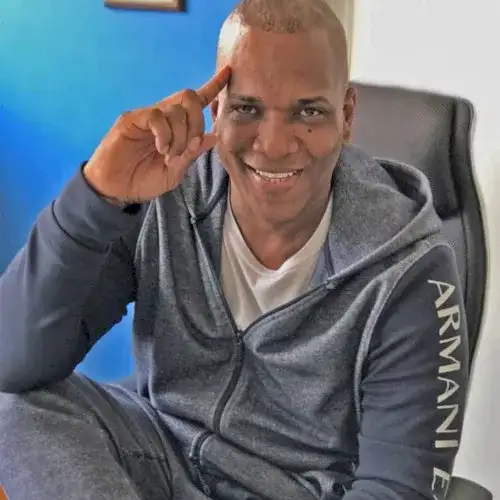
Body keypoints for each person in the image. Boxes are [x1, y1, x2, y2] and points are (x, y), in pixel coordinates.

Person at [0, 0, 468, 498]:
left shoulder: (410, 272)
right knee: (14, 407)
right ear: (216, 110)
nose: (274, 145)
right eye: (248, 108)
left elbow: (397, 489)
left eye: (308, 112)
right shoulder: (166, 196)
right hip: (161, 456)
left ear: (346, 116)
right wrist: (97, 197)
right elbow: (12, 361)